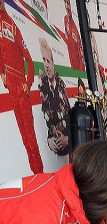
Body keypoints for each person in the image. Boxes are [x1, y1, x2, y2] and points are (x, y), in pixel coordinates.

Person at [0, 0, 42, 174]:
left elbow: (30, 61)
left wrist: (28, 82)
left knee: (31, 138)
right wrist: (2, 72)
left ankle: (41, 175)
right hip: (11, 89)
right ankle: (35, 176)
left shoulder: (12, 25)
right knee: (25, 139)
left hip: (21, 88)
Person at [38, 38, 72, 156]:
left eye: (48, 61)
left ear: (53, 63)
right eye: (44, 60)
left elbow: (70, 117)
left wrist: (67, 140)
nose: (46, 65)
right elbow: (47, 120)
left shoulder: (61, 87)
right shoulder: (43, 87)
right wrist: (50, 141)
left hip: (69, 151)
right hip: (55, 154)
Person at [63, 0, 83, 70]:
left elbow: (80, 50)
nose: (66, 6)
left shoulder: (76, 25)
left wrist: (81, 69)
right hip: (72, 64)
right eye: (65, 3)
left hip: (79, 67)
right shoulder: (65, 19)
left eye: (68, 3)